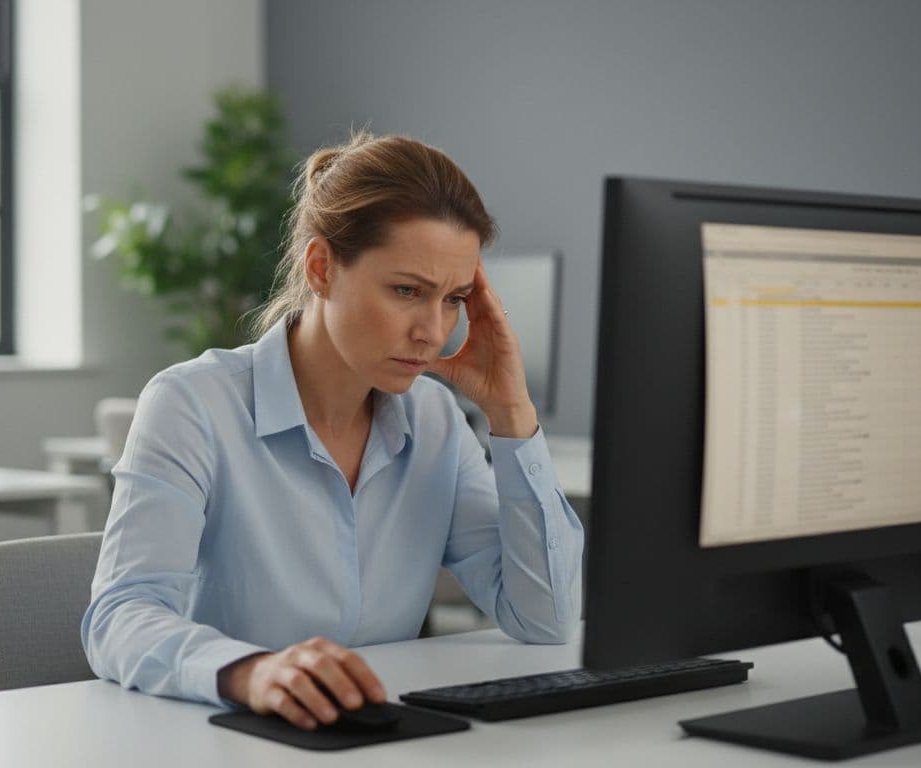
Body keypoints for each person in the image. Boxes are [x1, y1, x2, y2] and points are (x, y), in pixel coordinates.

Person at [81, 131, 584, 731]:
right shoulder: (193, 404)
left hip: (373, 740)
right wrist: (252, 671)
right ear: (320, 268)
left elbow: (546, 619)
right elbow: (121, 614)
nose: (433, 330)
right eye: (407, 291)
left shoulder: (436, 423)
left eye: (453, 299)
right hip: (223, 741)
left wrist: (512, 412)